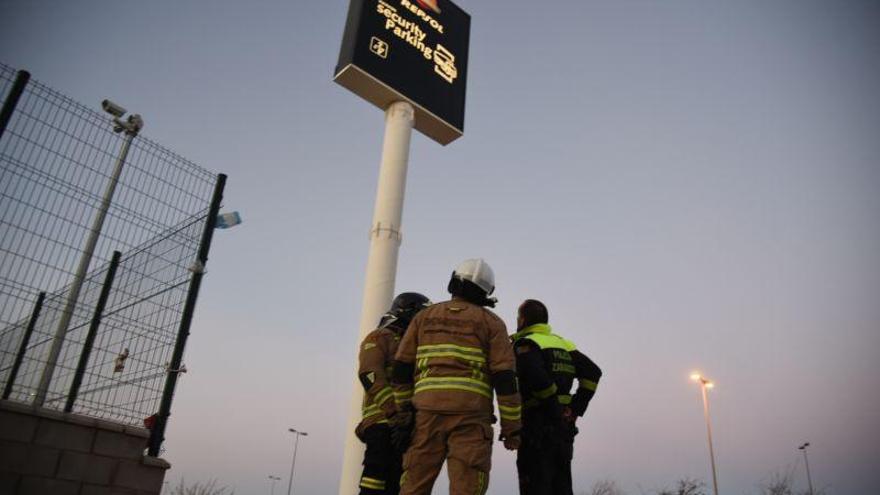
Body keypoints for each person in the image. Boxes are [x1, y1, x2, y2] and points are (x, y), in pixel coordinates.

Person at [391, 259, 522, 495]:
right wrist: (512, 428)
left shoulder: (423, 318)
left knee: (412, 488)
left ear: (454, 281)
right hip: (471, 420)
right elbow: (504, 379)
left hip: (425, 416)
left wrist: (404, 411)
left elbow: (401, 368)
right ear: (486, 291)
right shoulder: (492, 323)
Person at [511, 299, 602, 495]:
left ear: (523, 319)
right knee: (562, 487)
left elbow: (537, 377)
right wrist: (575, 408)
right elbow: (593, 373)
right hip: (564, 430)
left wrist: (554, 410)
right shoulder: (564, 345)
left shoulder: (526, 343)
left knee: (535, 486)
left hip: (537, 426)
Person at [357, 292, 432, 494]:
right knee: (375, 478)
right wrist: (393, 411)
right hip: (383, 421)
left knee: (398, 482)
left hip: (406, 426)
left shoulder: (414, 345)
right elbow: (369, 374)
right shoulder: (380, 337)